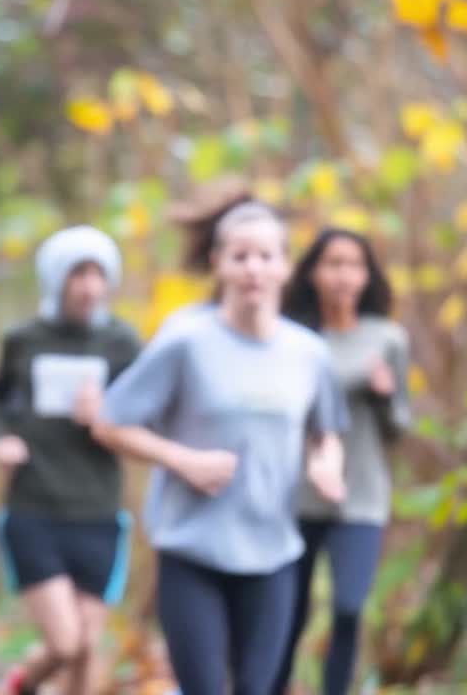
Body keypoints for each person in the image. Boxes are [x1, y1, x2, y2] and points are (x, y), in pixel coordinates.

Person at [76, 199, 349, 695]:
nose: (253, 269)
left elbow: (325, 432)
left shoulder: (308, 353)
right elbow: (110, 423)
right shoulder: (186, 341)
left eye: (267, 257)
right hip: (191, 549)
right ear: (218, 263)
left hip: (274, 553)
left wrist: (326, 466)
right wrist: (183, 460)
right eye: (240, 256)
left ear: (286, 267)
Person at [0, 226, 141, 695]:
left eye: (99, 275)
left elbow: (146, 416)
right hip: (35, 507)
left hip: (99, 510)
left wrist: (107, 415)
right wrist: (2, 439)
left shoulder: (122, 344)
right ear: (56, 279)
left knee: (88, 645)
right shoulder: (23, 339)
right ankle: (22, 684)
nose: (90, 286)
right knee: (66, 642)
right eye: (79, 274)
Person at [275, 229, 412, 695]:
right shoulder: (289, 336)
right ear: (312, 272)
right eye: (332, 264)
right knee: (288, 612)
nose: (343, 276)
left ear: (368, 275)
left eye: (354, 265)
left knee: (350, 606)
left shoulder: (387, 339)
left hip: (362, 495)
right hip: (295, 494)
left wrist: (384, 396)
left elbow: (398, 429)